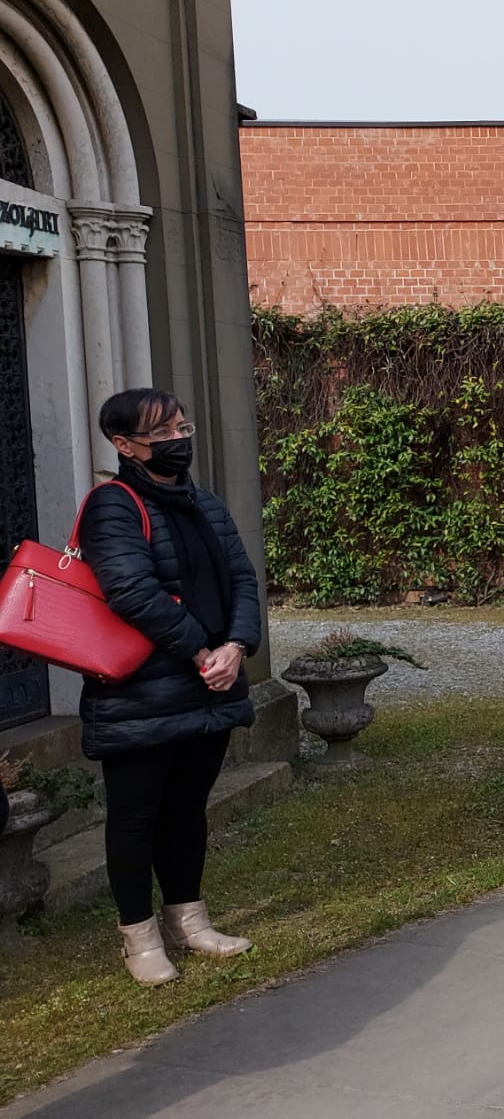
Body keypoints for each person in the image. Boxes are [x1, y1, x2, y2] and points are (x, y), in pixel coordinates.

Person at [79, 388, 262, 986]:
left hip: (209, 683)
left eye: (183, 428)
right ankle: (139, 938)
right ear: (124, 443)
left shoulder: (203, 504)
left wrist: (236, 647)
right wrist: (203, 650)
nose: (178, 442)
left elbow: (241, 576)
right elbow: (130, 591)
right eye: (162, 434)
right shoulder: (113, 503)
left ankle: (190, 920)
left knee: (186, 809)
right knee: (135, 817)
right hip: (141, 691)